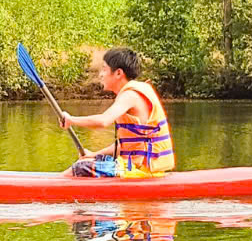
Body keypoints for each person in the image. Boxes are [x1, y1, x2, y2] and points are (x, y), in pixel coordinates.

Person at [60, 47, 174, 178]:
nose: (100, 75)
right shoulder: (133, 92)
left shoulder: (130, 95)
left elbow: (103, 121)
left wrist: (71, 120)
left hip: (142, 171)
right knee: (88, 161)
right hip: (134, 167)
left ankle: (52, 187)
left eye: (104, 69)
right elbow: (126, 145)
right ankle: (54, 181)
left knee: (81, 167)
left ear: (118, 73)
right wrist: (94, 154)